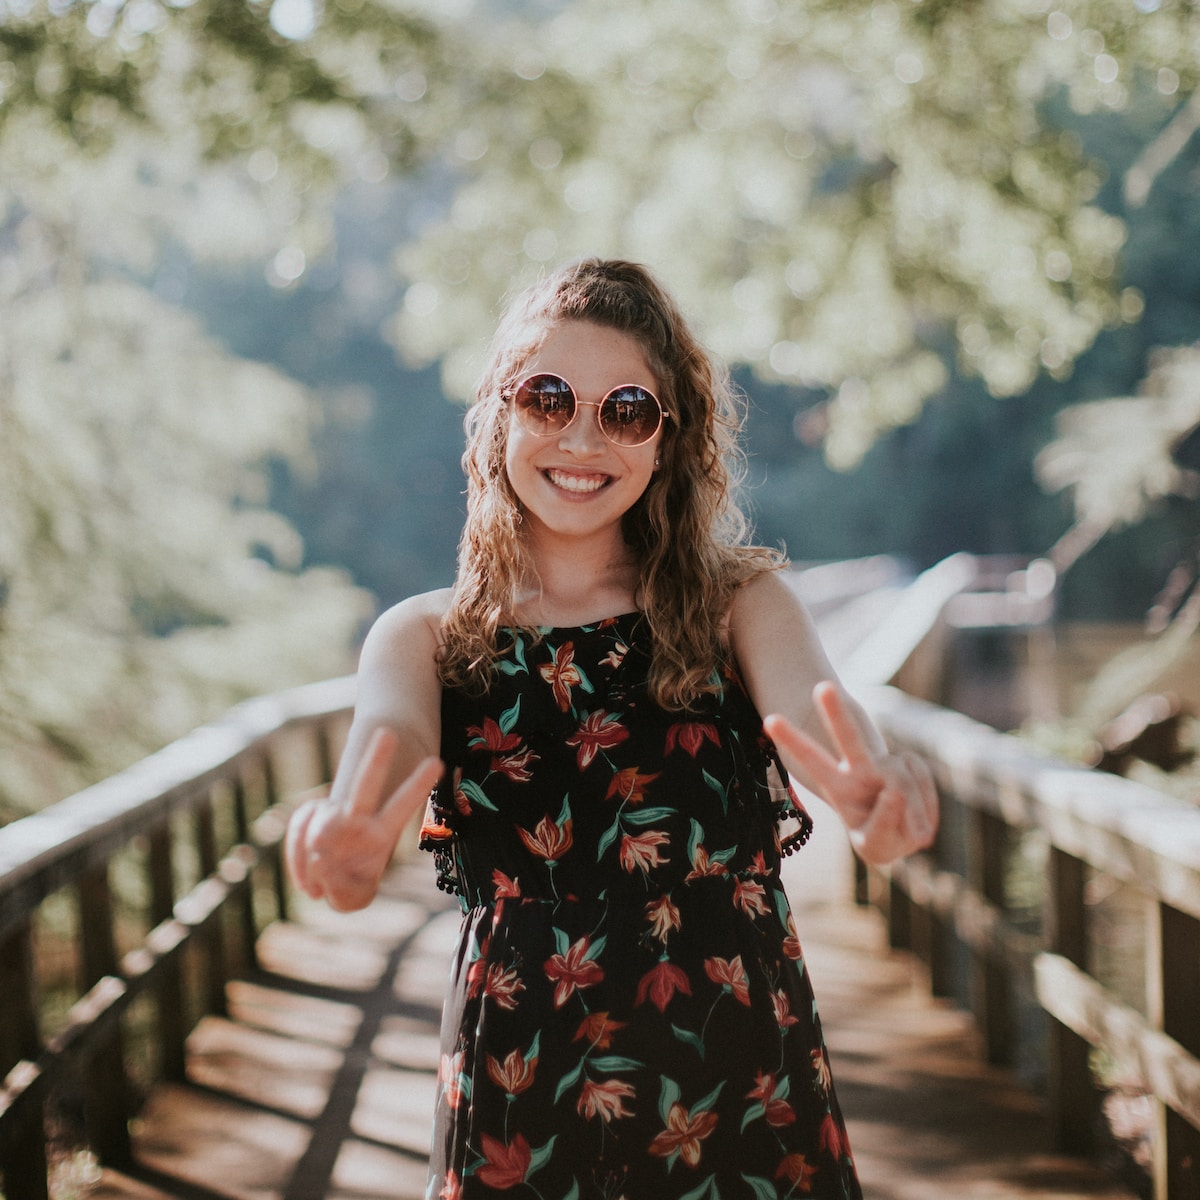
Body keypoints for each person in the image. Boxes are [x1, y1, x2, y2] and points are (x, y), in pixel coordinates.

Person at [286, 258, 938, 1200]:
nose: (583, 437)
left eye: (625, 409)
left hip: (740, 1077)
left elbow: (824, 725)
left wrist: (877, 804)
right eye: (549, 398)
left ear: (669, 438)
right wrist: (345, 862)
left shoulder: (740, 607)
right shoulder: (425, 640)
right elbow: (375, 775)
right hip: (526, 1092)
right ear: (499, 415)